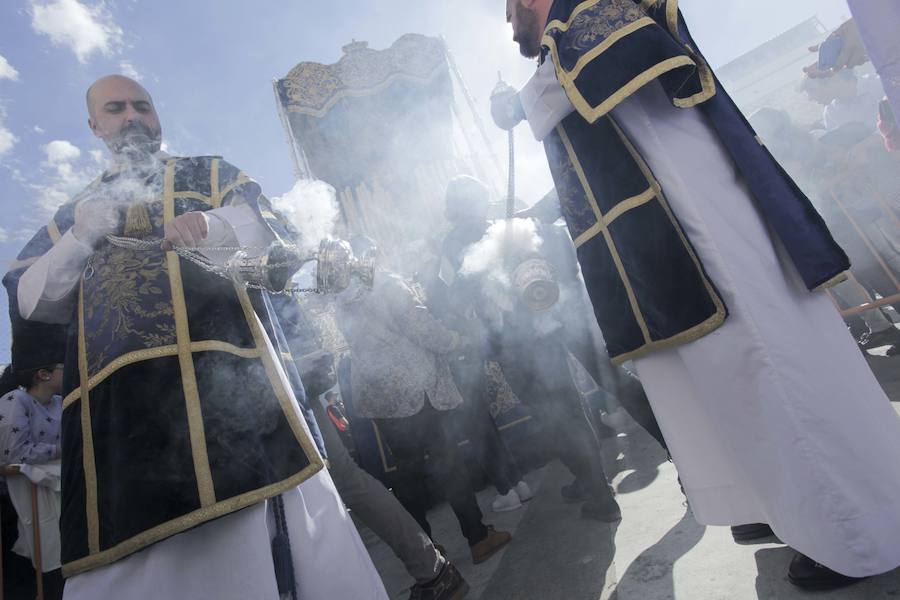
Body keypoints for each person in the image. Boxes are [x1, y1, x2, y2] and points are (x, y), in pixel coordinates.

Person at [493, 0, 900, 590]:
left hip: (705, 235)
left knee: (769, 372)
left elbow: (598, 75)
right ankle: (787, 509)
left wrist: (526, 99)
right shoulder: (567, 37)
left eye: (511, 10)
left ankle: (856, 533)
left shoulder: (594, 13)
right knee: (733, 385)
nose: (510, 26)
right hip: (679, 241)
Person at [4, 74, 386, 599]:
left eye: (142, 105)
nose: (132, 116)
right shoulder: (75, 211)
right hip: (114, 415)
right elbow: (29, 299)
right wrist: (78, 236)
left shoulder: (207, 171)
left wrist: (212, 224)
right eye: (115, 109)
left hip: (225, 383)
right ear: (94, 126)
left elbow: (268, 223)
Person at [272, 294, 470, 600]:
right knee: (389, 476)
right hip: (400, 392)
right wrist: (458, 339)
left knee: (381, 477)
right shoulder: (375, 287)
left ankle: (436, 561)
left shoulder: (359, 293)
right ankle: (439, 561)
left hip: (299, 390)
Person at [335, 240, 512, 566]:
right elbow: (423, 330)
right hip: (416, 390)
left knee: (407, 475)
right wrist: (457, 340)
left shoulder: (341, 299)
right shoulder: (386, 284)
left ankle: (427, 554)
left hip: (382, 398)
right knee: (449, 464)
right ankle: (479, 537)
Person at [0, 330, 66, 600]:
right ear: (44, 374)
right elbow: (15, 455)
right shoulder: (16, 401)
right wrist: (62, 451)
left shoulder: (61, 403)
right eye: (63, 366)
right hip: (13, 501)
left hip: (53, 491)